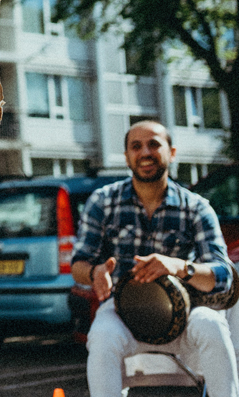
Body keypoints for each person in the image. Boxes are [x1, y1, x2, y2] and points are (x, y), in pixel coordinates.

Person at [71, 119, 239, 397]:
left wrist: (180, 267)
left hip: (185, 312)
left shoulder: (197, 207)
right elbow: (79, 264)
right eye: (136, 146)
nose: (145, 152)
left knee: (212, 326)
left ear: (171, 152)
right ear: (126, 157)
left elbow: (224, 277)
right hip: (123, 310)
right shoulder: (102, 201)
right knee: (101, 337)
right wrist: (95, 273)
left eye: (154, 144)